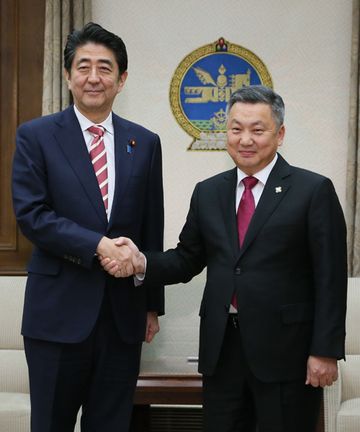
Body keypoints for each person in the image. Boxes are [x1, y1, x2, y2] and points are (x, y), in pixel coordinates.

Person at [101, 85, 348, 432]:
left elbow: (331, 279)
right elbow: (187, 259)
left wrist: (325, 351)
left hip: (286, 354)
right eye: (236, 129)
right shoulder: (209, 191)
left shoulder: (313, 191)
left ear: (279, 135)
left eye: (257, 130)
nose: (245, 139)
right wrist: (141, 262)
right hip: (222, 351)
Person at [12, 22, 164, 432]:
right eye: (83, 67)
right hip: (57, 314)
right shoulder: (36, 136)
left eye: (105, 67)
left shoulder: (144, 142)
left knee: (112, 424)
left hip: (122, 316)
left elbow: (152, 224)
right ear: (67, 76)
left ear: (122, 79)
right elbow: (32, 214)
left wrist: (152, 304)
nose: (93, 77)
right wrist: (98, 244)